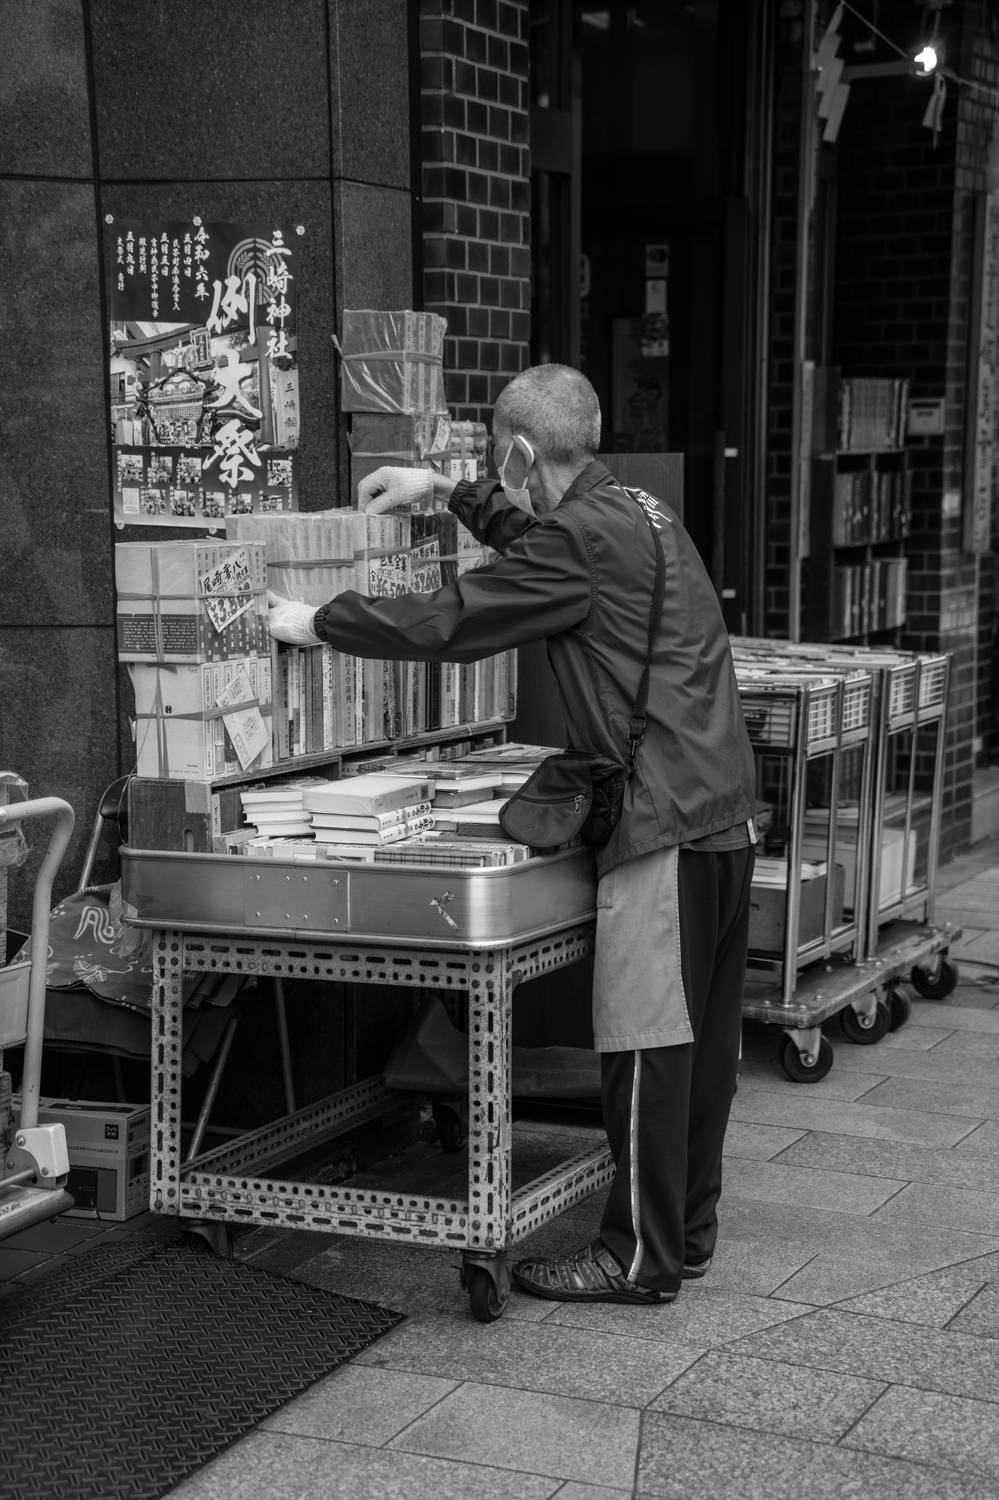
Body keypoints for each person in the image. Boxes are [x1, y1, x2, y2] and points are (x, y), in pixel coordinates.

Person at [268, 363, 758, 1306]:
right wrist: (442, 489)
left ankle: (637, 1260)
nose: (503, 473)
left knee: (647, 1047)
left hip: (662, 819)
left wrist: (316, 620)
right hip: (722, 815)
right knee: (698, 1052)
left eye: (501, 459)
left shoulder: (581, 537)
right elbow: (540, 546)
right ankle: (684, 1235)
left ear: (524, 452)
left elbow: (458, 616)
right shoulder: (641, 513)